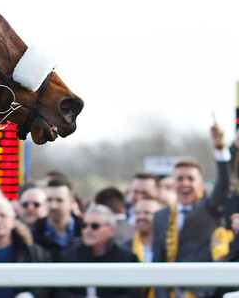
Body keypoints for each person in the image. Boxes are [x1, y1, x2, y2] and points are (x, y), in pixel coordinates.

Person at [152, 122, 231, 298]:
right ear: (174, 184)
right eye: (180, 178)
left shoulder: (210, 209)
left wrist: (220, 149)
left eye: (190, 178)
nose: (185, 183)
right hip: (171, 292)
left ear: (201, 185)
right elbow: (158, 262)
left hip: (204, 292)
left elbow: (225, 184)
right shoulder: (160, 217)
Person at [54, 205, 140, 298]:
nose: (88, 230)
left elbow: (133, 294)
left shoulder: (127, 258)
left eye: (95, 226)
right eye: (84, 225)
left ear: (111, 230)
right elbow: (59, 292)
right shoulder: (69, 256)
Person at [31, 178, 84, 261]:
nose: (53, 206)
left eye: (59, 200)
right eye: (49, 200)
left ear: (72, 202)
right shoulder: (34, 233)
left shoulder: (86, 229)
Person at [122, 196, 162, 263]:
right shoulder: (125, 249)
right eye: (137, 213)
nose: (140, 217)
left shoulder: (168, 247)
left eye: (147, 213)